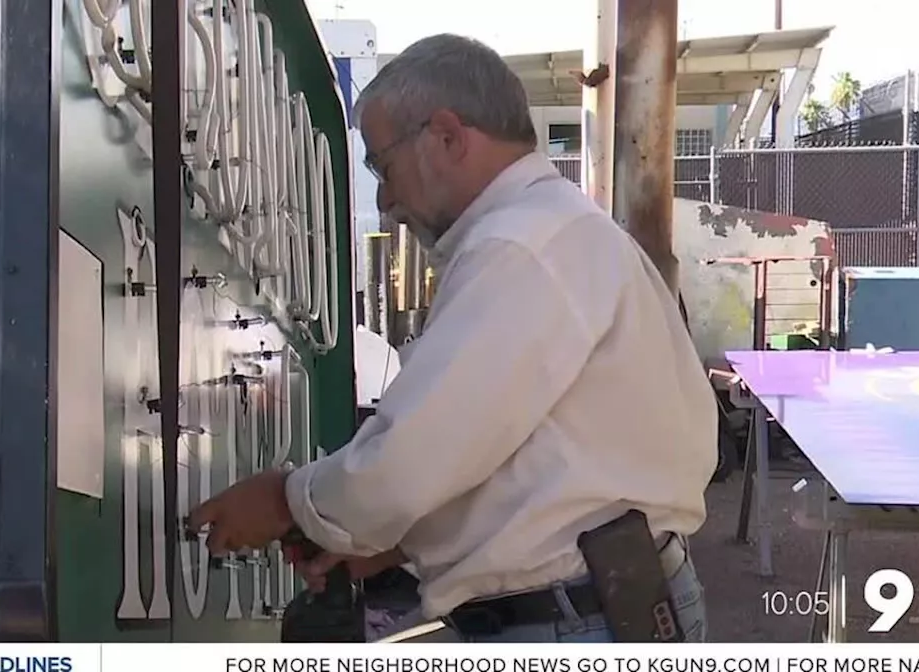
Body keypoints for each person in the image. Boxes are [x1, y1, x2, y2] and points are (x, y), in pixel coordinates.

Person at [186, 33, 717, 643]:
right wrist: (392, 541)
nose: (385, 200)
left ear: (446, 135)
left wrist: (286, 500)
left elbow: (409, 462)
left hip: (579, 618)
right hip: (607, 602)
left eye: (383, 166)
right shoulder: (554, 231)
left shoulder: (522, 246)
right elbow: (519, 454)